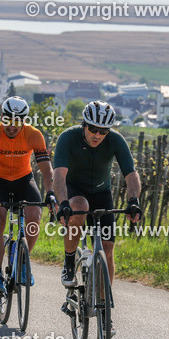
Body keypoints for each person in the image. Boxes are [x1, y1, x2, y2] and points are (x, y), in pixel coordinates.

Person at [54, 100, 143, 294]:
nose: (97, 135)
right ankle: (69, 261)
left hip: (102, 193)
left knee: (108, 250)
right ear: (84, 125)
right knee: (80, 205)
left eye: (103, 131)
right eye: (93, 129)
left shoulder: (116, 140)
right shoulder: (68, 138)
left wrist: (134, 201)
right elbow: (59, 175)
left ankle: (104, 309)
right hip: (74, 189)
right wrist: (62, 203)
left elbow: (131, 174)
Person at [0, 96, 56, 297]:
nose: (12, 126)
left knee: (35, 215)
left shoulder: (34, 135)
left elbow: (46, 170)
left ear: (25, 120)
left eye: (18, 121)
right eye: (7, 120)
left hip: (23, 179)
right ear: (1, 117)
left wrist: (51, 194)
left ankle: (23, 261)